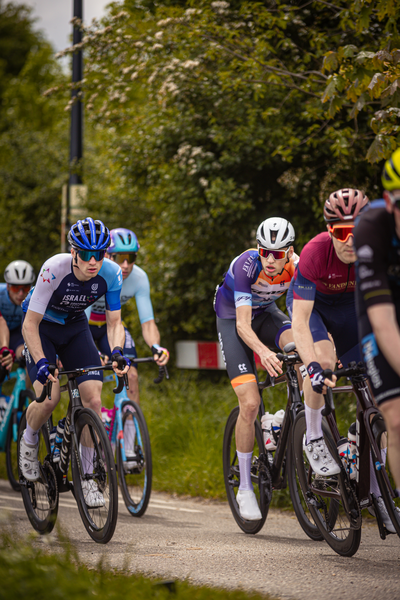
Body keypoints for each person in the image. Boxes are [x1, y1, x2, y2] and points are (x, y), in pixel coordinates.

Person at [289, 188, 399, 532]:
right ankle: (312, 434)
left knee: (377, 397)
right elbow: (300, 322)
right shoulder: (315, 253)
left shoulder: (379, 246)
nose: (350, 240)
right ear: (328, 229)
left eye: (358, 227)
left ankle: (370, 474)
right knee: (323, 361)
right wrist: (311, 367)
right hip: (316, 312)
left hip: (354, 312)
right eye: (340, 232)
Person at [19, 218, 130, 507]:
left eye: (100, 254)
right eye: (86, 254)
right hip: (42, 326)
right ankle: (29, 440)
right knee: (50, 398)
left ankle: (89, 476)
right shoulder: (54, 269)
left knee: (93, 399)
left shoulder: (112, 272)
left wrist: (117, 351)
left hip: (75, 327)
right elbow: (29, 324)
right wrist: (43, 362)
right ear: (73, 253)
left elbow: (114, 322)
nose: (93, 261)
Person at [215, 217, 298, 520]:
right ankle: (246, 487)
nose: (271, 259)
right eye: (265, 251)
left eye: (278, 253)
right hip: (233, 320)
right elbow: (242, 323)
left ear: (290, 251)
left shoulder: (298, 267)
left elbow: (302, 316)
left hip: (267, 314)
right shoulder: (246, 266)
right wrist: (263, 352)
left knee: (303, 357)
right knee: (249, 403)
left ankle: (288, 420)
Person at [354, 147, 400, 506]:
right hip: (379, 313)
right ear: (388, 201)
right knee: (397, 418)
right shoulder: (370, 228)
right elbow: (384, 324)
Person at [85, 227, 169, 405]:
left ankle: (130, 430)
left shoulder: (139, 278)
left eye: (130, 258)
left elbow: (148, 323)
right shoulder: (93, 273)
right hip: (85, 327)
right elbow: (80, 321)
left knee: (131, 374)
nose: (125, 265)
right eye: (119, 257)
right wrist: (92, 350)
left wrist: (156, 346)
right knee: (90, 383)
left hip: (112, 326)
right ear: (107, 255)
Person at [0, 260, 35, 372]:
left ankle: (26, 389)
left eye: (25, 288)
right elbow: (1, 322)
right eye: (15, 288)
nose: (21, 293)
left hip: (18, 334)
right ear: (8, 286)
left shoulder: (35, 296)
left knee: (29, 355)